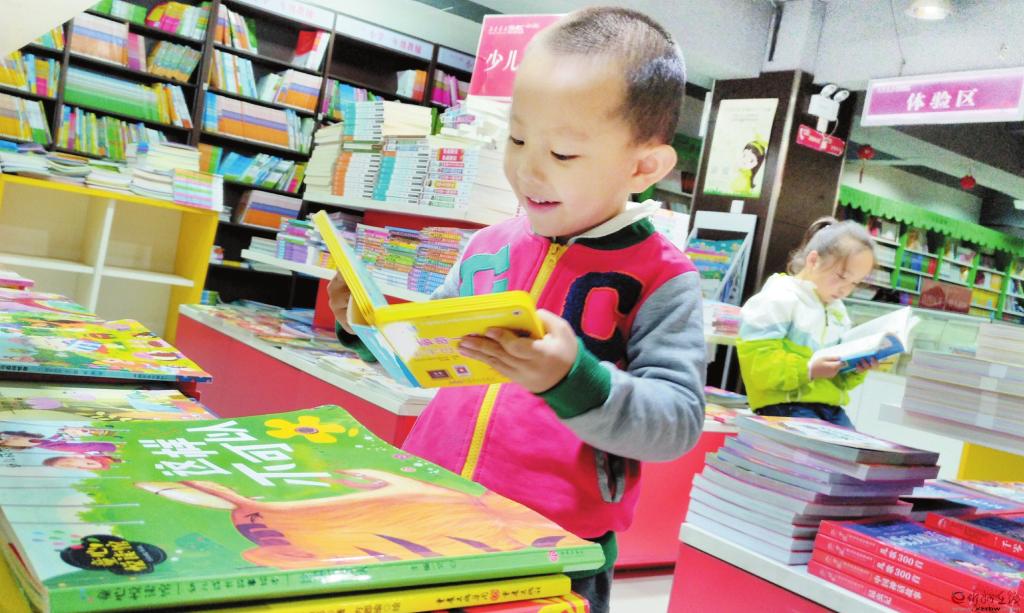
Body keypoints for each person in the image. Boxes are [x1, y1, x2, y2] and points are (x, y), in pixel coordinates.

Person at [327, 8, 706, 611]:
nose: (527, 169)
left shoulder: (665, 278)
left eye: (563, 153)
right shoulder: (487, 246)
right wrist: (368, 325)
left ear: (643, 167)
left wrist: (574, 380)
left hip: (556, 548)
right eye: (519, 139)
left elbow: (677, 422)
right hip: (432, 512)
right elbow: (428, 357)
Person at [737, 217, 878, 428]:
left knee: (855, 448)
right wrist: (809, 369)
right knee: (824, 449)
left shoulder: (838, 311)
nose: (845, 290)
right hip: (785, 405)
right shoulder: (778, 298)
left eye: (855, 283)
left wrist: (856, 369)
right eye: (841, 276)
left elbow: (838, 380)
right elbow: (758, 365)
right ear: (813, 261)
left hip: (830, 407)